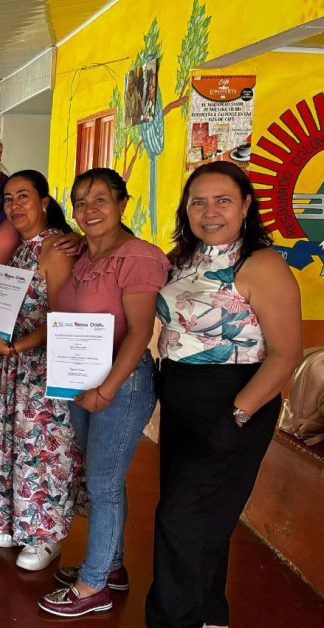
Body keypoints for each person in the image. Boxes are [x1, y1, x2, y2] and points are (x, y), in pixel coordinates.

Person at [145, 162, 303, 628]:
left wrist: (237, 413)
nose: (209, 211)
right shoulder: (185, 258)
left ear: (246, 206)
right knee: (203, 519)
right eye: (198, 201)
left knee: (178, 520)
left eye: (223, 200)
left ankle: (171, 621)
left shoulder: (261, 264)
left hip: (234, 398)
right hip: (180, 397)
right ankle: (210, 615)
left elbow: (286, 352)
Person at [38, 168, 169, 617]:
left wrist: (106, 389)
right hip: (83, 382)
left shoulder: (137, 256)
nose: (88, 210)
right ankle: (111, 565)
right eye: (80, 202)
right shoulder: (85, 257)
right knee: (101, 478)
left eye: (100, 200)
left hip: (120, 384)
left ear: (122, 205)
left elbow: (140, 332)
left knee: (104, 482)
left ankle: (92, 587)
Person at [0, 122, 81, 531]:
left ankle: (4, 506)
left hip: (12, 336)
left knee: (2, 418)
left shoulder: (35, 224)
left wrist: (84, 241)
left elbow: (58, 256)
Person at [0, 170, 80, 569]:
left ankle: (46, 535)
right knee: (16, 441)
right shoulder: (24, 249)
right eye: (8, 198)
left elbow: (61, 317)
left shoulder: (56, 246)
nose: (15, 206)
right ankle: (11, 520)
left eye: (24, 197)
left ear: (44, 201)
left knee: (43, 445)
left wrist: (16, 345)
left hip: (43, 365)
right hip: (15, 362)